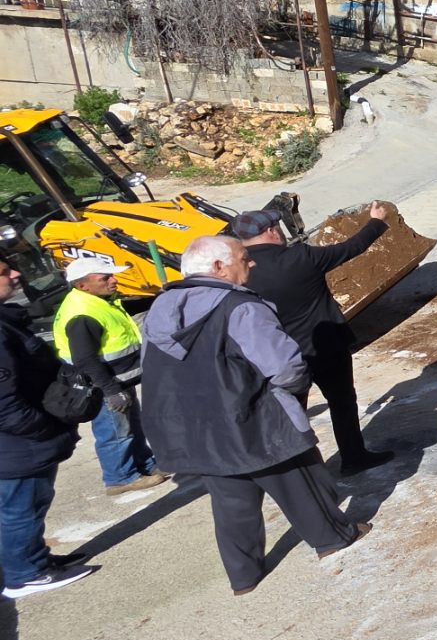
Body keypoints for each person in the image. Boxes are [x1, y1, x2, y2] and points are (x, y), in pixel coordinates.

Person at [139, 236, 370, 596]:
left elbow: (157, 369)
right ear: (218, 267)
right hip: (253, 418)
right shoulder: (240, 307)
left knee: (231, 500)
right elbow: (284, 367)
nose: (252, 263)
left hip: (197, 428)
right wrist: (293, 389)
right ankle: (332, 537)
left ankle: (244, 576)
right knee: (300, 481)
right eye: (244, 258)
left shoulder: (160, 309)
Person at [234, 203, 394, 473]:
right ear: (272, 231)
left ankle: (305, 470)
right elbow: (351, 247)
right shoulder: (301, 257)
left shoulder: (240, 273)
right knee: (342, 401)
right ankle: (354, 457)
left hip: (281, 356)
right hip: (327, 346)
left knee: (294, 413)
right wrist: (376, 221)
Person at [0, 259, 95, 599]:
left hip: (21, 442)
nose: (16, 274)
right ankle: (24, 574)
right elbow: (4, 405)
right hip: (17, 445)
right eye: (4, 272)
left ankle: (34, 559)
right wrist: (46, 429)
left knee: (29, 507)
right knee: (20, 510)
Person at [51, 259, 165, 495]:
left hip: (117, 380)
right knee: (115, 431)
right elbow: (85, 358)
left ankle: (145, 464)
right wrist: (112, 390)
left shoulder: (95, 301)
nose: (113, 280)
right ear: (83, 285)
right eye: (105, 278)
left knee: (131, 425)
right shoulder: (83, 313)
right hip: (103, 385)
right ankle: (120, 477)